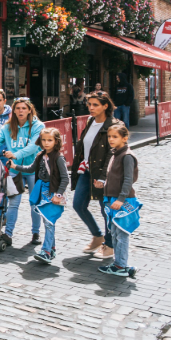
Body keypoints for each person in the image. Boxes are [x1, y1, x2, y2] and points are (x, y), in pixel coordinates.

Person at [0, 97, 44, 244]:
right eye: (18, 108)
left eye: (24, 108)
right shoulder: (8, 126)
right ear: (13, 110)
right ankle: (8, 234)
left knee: (35, 203)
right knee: (13, 203)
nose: (20, 111)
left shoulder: (38, 126)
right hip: (14, 169)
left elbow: (34, 146)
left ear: (30, 110)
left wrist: (16, 154)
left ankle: (36, 233)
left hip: (33, 170)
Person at [9, 128, 69, 264]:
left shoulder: (59, 158)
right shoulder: (40, 155)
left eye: (50, 140)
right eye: (44, 140)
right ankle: (51, 249)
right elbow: (30, 168)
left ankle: (46, 251)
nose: (46, 143)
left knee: (49, 222)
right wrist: (15, 166)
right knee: (47, 221)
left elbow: (65, 178)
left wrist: (58, 195)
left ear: (56, 141)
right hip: (41, 191)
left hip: (53, 192)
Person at [71, 91, 117, 260]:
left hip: (104, 174)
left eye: (95, 104)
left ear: (105, 106)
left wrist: (104, 177)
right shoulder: (90, 121)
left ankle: (110, 245)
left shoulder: (113, 124)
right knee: (78, 205)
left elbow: (113, 153)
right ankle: (98, 236)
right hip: (87, 171)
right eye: (89, 104)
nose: (91, 107)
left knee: (106, 211)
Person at [98, 124, 140, 278]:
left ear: (124, 138)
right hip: (112, 199)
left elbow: (128, 180)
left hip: (122, 200)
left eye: (114, 136)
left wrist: (121, 199)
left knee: (121, 234)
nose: (111, 139)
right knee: (114, 233)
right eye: (109, 136)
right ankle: (119, 263)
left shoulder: (127, 156)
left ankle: (121, 266)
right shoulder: (115, 154)